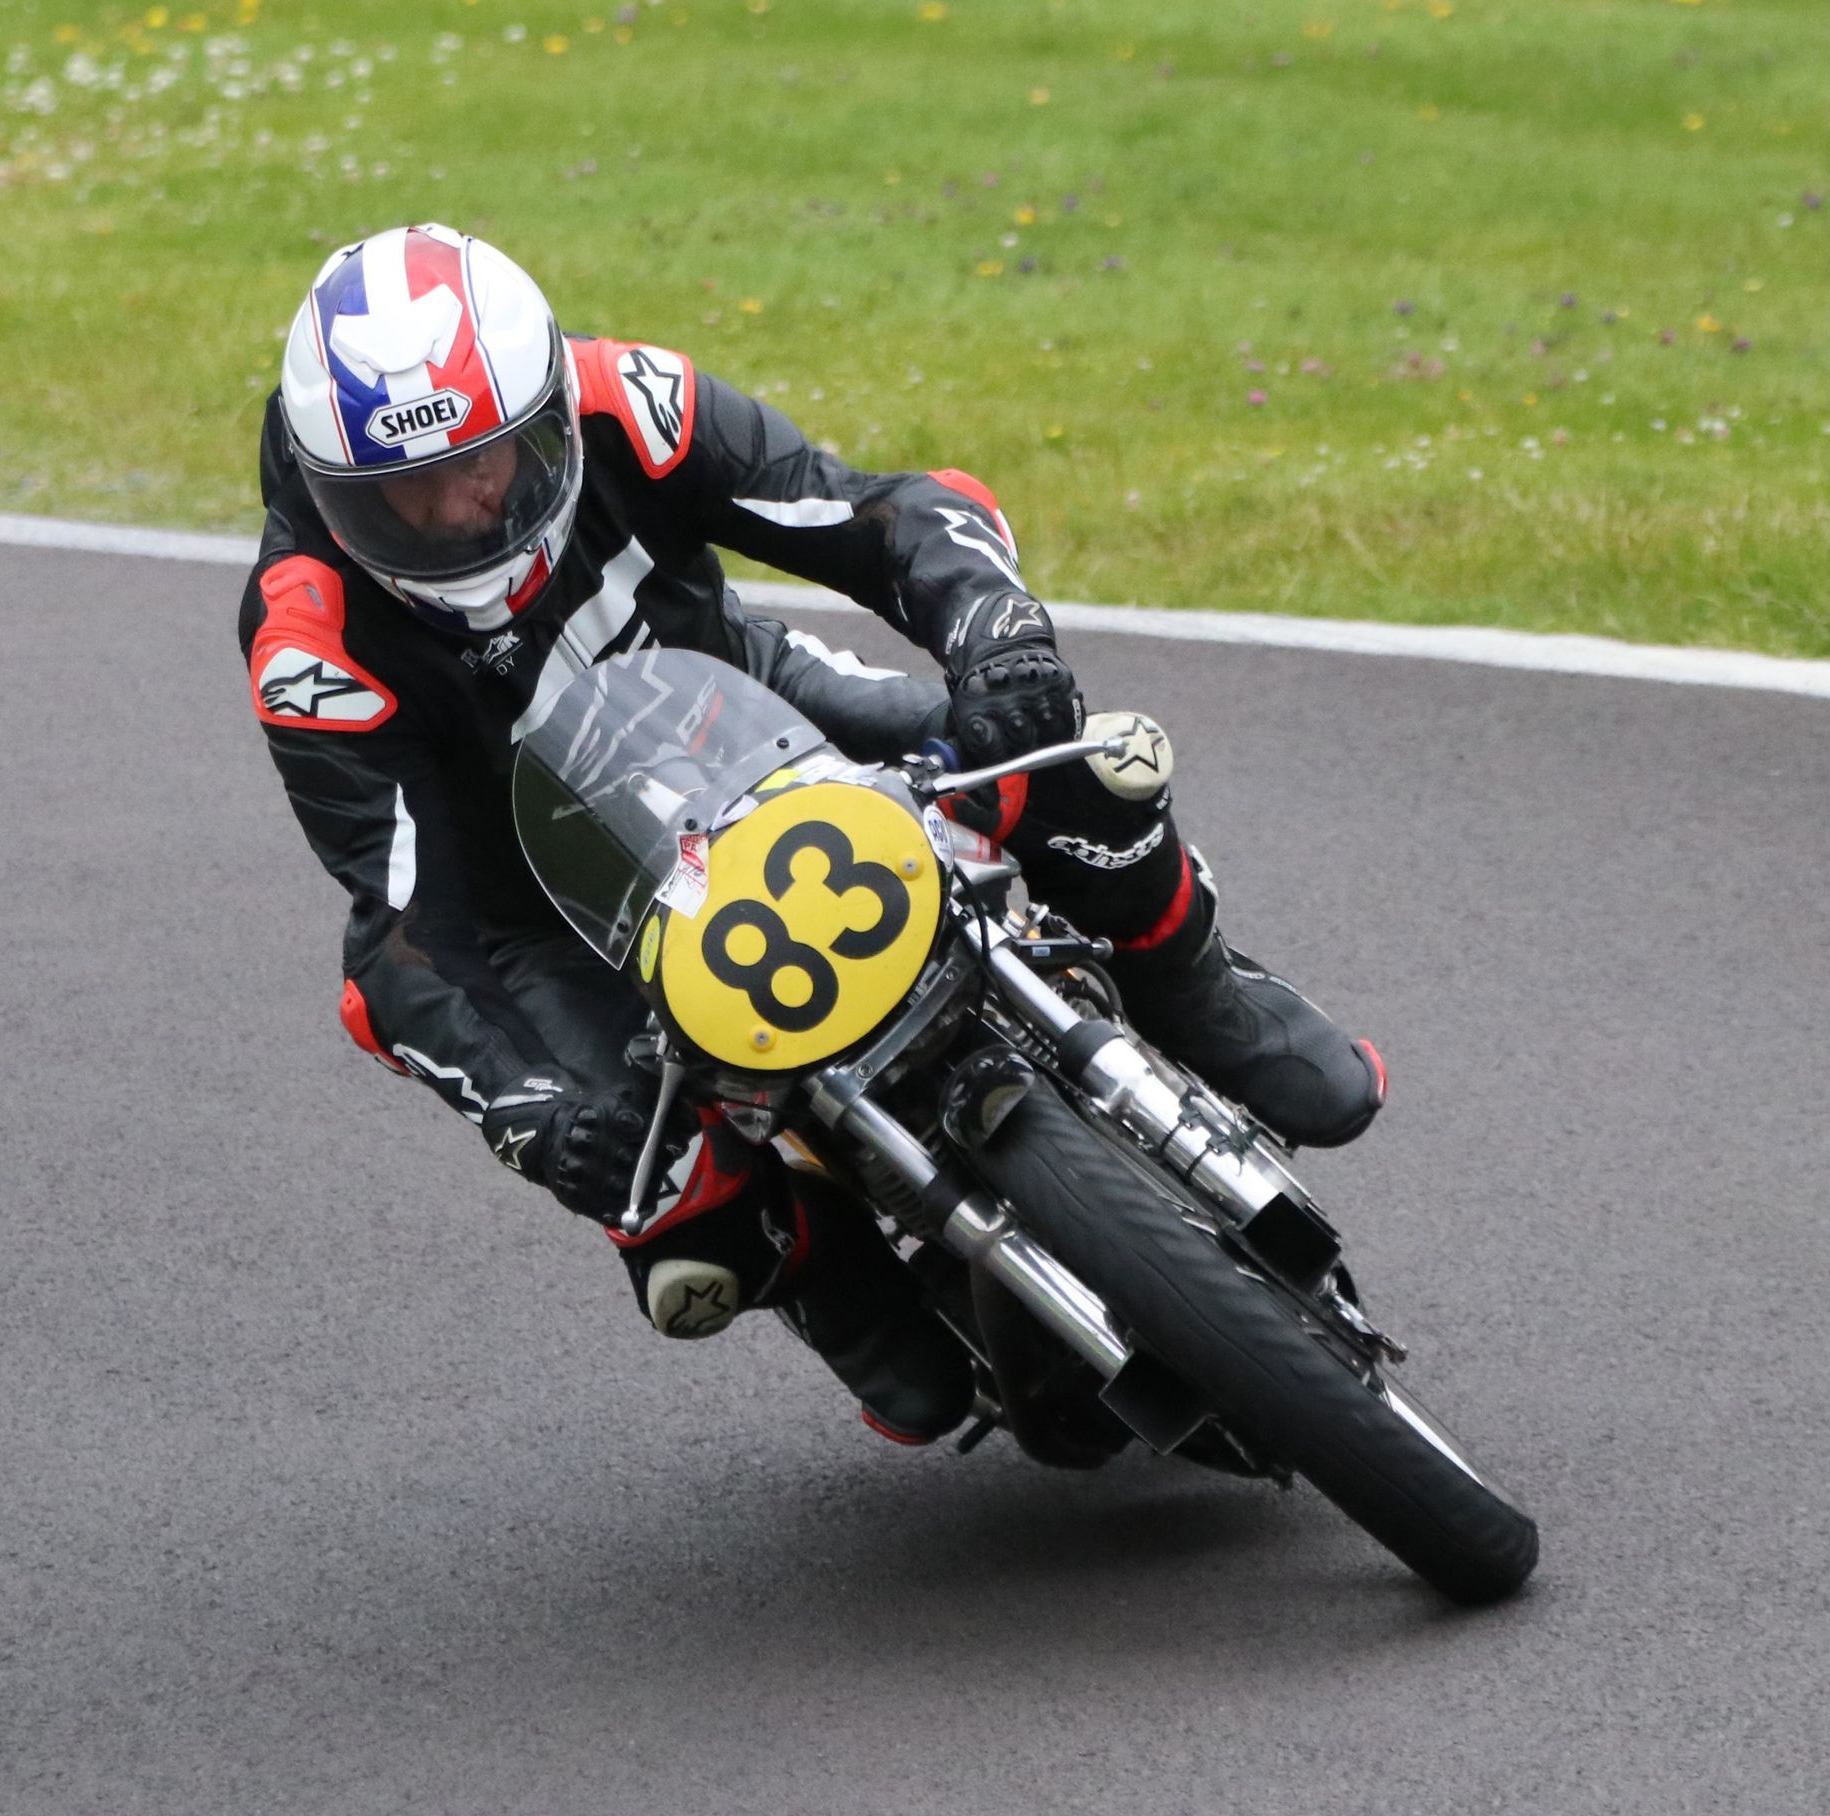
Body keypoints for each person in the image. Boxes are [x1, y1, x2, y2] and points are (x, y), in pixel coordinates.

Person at [238, 224, 1386, 1446]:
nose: (462, 511)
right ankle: (820, 1263)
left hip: (749, 714)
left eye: (489, 464)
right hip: (553, 908)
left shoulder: (634, 403)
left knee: (1069, 764)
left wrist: (996, 631)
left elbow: (880, 514)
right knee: (667, 1200)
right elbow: (409, 942)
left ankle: (1196, 984)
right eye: (406, 498)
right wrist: (540, 1116)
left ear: (547, 416)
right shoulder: (309, 642)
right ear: (331, 491)